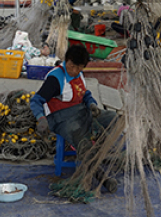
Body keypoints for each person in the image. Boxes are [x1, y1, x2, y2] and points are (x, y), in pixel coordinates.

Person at [29, 44, 120, 191]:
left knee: (113, 118)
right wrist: (41, 118)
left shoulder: (79, 75)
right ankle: (102, 177)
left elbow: (85, 94)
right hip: (61, 119)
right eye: (72, 66)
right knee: (82, 141)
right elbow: (36, 100)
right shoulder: (56, 78)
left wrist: (92, 105)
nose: (75, 71)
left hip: (81, 112)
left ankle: (97, 152)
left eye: (79, 68)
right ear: (67, 61)